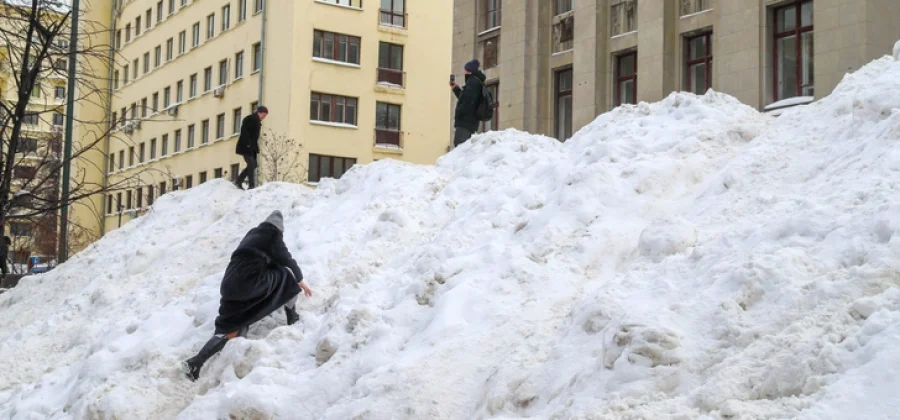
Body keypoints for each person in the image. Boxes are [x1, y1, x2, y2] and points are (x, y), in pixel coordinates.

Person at [184, 210, 313, 381]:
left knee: (233, 324)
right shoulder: (273, 236)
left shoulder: (252, 235)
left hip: (229, 283)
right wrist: (301, 281)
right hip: (250, 282)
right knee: (287, 275)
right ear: (280, 229)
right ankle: (292, 314)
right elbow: (287, 260)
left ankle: (196, 362)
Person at [450, 59, 487, 147]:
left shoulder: (473, 83)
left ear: (470, 71)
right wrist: (455, 88)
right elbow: (465, 98)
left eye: (466, 70)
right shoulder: (475, 82)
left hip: (465, 122)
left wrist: (460, 112)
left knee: (460, 147)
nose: (464, 72)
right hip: (469, 122)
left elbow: (468, 102)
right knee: (463, 148)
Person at [234, 105, 269, 190]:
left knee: (254, 165)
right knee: (251, 164)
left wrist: (254, 147)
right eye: (263, 115)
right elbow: (244, 132)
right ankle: (251, 185)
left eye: (265, 116)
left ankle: (239, 181)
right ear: (259, 112)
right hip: (245, 146)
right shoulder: (249, 119)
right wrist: (248, 144)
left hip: (252, 147)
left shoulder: (257, 121)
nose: (264, 117)